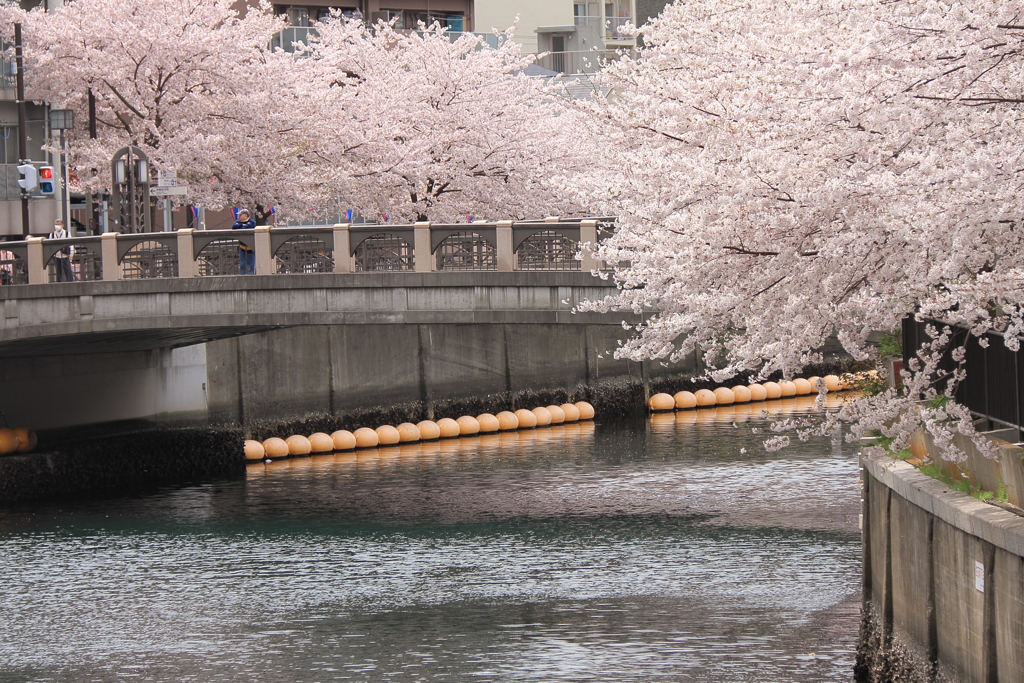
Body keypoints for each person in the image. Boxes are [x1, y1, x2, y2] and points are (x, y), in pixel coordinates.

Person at [232, 209, 256, 275]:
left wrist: (242, 226)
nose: (239, 216)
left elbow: (248, 227)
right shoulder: (238, 222)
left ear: (245, 216)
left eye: (240, 215)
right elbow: (234, 226)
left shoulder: (252, 222)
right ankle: (243, 274)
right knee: (242, 263)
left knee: (251, 263)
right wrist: (242, 225)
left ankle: (251, 274)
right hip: (242, 246)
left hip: (251, 247)